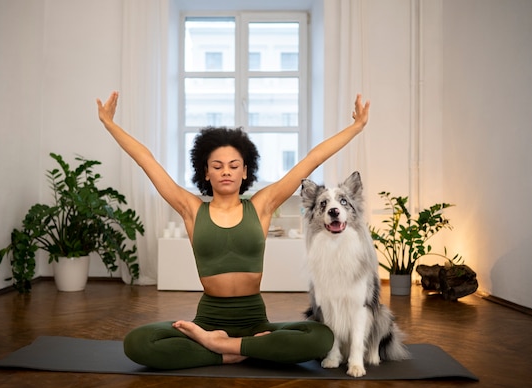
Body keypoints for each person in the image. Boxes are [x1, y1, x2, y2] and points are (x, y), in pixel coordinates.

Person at [97, 91, 370, 370]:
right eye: (217, 166)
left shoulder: (262, 205)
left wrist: (356, 127)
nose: (225, 171)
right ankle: (247, 350)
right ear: (206, 173)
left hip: (254, 320)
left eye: (233, 166)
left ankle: (218, 347)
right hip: (208, 319)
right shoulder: (191, 209)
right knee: (138, 342)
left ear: (244, 171)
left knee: (320, 337)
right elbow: (147, 161)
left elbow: (311, 159)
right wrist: (110, 124)